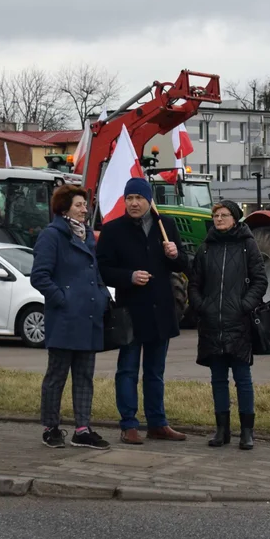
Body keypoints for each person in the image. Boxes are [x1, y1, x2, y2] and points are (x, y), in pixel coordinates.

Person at [96, 176, 190, 445]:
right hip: (130, 312)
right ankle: (129, 424)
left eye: (138, 198)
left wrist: (175, 255)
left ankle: (158, 423)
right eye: (129, 198)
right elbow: (102, 269)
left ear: (149, 200)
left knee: (155, 371)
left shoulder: (166, 226)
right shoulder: (113, 230)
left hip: (161, 311)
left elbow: (183, 264)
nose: (134, 203)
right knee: (127, 370)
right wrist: (128, 276)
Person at [31, 185, 111, 450]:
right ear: (64, 209)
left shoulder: (86, 235)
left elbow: (94, 272)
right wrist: (62, 300)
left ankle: (82, 428)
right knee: (56, 376)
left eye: (85, 205)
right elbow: (40, 276)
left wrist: (100, 296)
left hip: (88, 318)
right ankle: (51, 427)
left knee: (84, 376)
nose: (84, 209)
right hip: (65, 319)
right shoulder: (51, 236)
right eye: (79, 205)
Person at [188, 200, 267, 450]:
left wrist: (244, 306)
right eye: (216, 215)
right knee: (218, 378)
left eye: (224, 215)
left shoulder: (247, 245)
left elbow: (260, 281)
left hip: (238, 323)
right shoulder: (205, 248)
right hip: (211, 324)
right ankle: (222, 430)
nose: (219, 219)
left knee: (243, 378)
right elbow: (194, 284)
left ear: (235, 218)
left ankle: (247, 431)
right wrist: (202, 306)